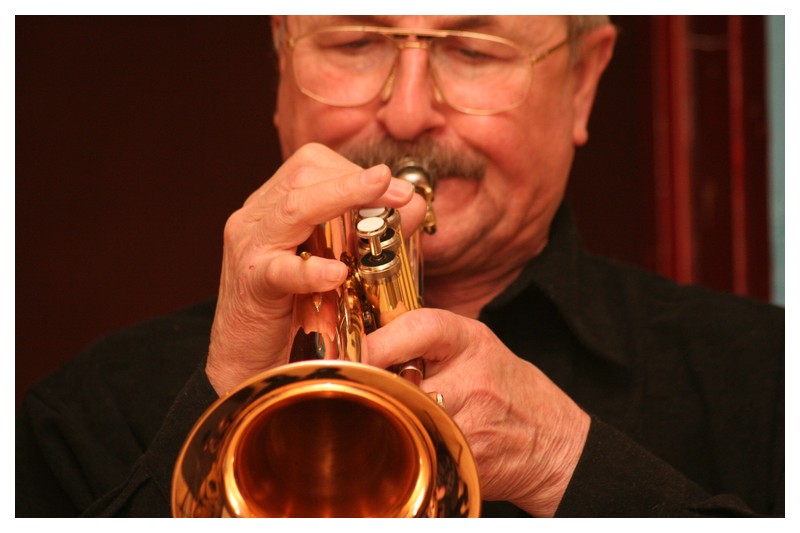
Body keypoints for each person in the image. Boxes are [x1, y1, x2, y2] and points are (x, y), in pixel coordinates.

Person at [15, 15, 784, 518]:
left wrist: (565, 462)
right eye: (355, 43)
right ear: (281, 62)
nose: (408, 113)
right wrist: (215, 413)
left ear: (583, 83)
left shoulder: (767, 376)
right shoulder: (86, 411)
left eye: (474, 50)